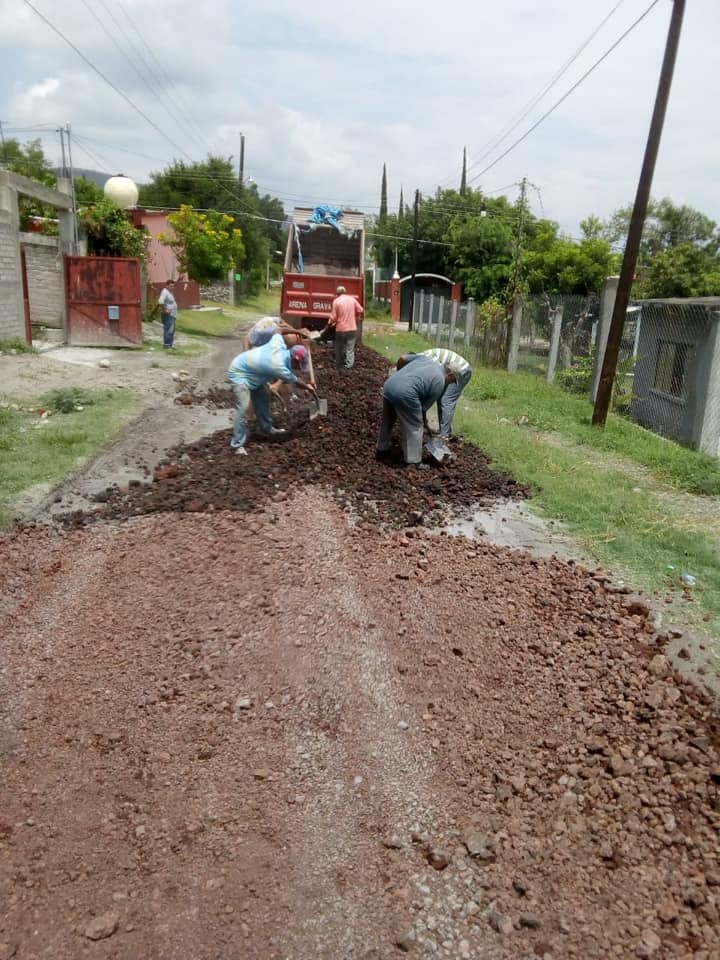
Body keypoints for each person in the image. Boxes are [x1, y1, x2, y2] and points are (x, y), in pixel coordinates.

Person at [227, 333, 316, 456]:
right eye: (299, 365)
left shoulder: (279, 344)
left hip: (254, 374)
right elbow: (295, 381)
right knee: (243, 407)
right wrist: (309, 388)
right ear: (295, 360)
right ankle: (237, 445)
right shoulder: (278, 366)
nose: (299, 369)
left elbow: (278, 332)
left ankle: (266, 429)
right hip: (239, 372)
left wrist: (298, 333)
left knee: (263, 397)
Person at [376, 355, 459, 469]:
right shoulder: (439, 381)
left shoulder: (427, 359)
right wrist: (424, 423)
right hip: (406, 393)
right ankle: (414, 461)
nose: (450, 384)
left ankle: (382, 449)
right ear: (450, 374)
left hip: (390, 385)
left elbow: (403, 357)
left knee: (388, 420)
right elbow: (422, 410)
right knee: (415, 426)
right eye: (452, 381)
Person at [397, 347, 472, 440]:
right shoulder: (420, 360)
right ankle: (444, 431)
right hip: (450, 370)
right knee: (441, 398)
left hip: (461, 369)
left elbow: (432, 381)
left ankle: (445, 435)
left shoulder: (427, 359)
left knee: (447, 399)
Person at [328, 285, 363, 371]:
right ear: (345, 292)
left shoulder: (336, 301)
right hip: (352, 328)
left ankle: (339, 366)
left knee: (339, 347)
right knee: (350, 348)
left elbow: (333, 317)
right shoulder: (352, 299)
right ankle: (348, 367)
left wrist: (329, 323)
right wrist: (356, 317)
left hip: (341, 329)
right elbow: (361, 310)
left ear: (337, 293)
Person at [243, 316, 310, 351]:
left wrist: (293, 329)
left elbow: (282, 322)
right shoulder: (263, 333)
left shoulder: (272, 321)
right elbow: (247, 338)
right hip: (261, 337)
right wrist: (297, 331)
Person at [158, 279, 178, 349]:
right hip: (168, 315)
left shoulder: (170, 292)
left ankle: (170, 345)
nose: (172, 287)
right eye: (170, 286)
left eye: (173, 286)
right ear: (166, 286)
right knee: (168, 329)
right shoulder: (165, 292)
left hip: (172, 314)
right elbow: (160, 302)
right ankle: (166, 345)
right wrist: (165, 310)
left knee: (172, 330)